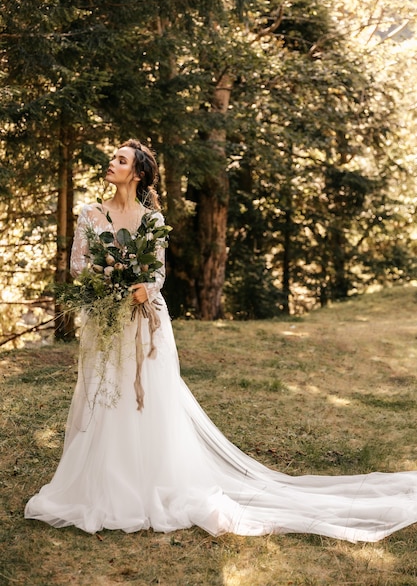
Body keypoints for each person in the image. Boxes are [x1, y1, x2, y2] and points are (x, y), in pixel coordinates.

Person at [25, 139, 417, 542]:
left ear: (137, 173)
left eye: (120, 160)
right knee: (107, 396)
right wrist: (110, 284)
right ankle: (102, 484)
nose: (111, 163)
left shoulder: (153, 219)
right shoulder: (91, 213)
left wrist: (145, 287)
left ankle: (149, 482)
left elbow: (158, 274)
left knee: (146, 403)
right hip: (108, 321)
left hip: (146, 322)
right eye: (112, 158)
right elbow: (77, 266)